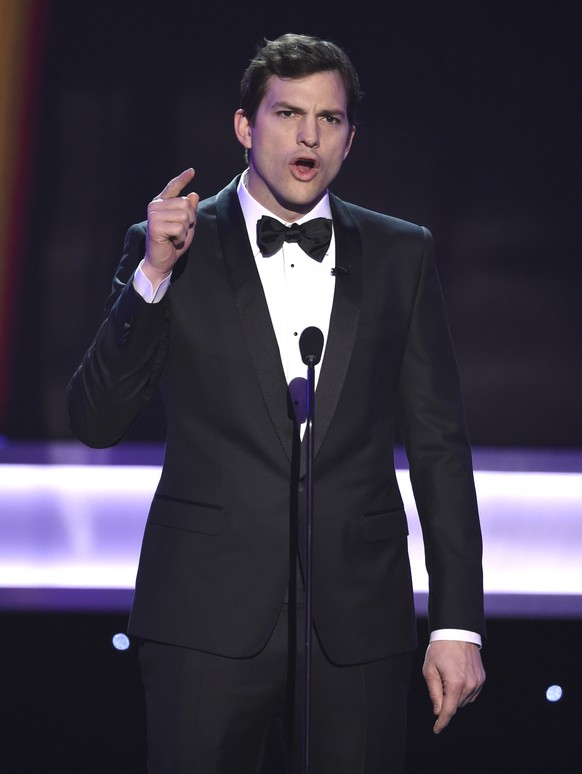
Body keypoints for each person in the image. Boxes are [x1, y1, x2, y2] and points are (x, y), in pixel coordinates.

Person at [68, 33, 485, 774]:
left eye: (329, 119)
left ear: (350, 139)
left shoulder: (401, 255)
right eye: (288, 113)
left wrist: (458, 623)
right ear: (244, 126)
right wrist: (153, 279)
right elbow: (95, 421)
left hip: (356, 629)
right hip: (202, 620)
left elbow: (439, 450)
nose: (308, 135)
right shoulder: (168, 246)